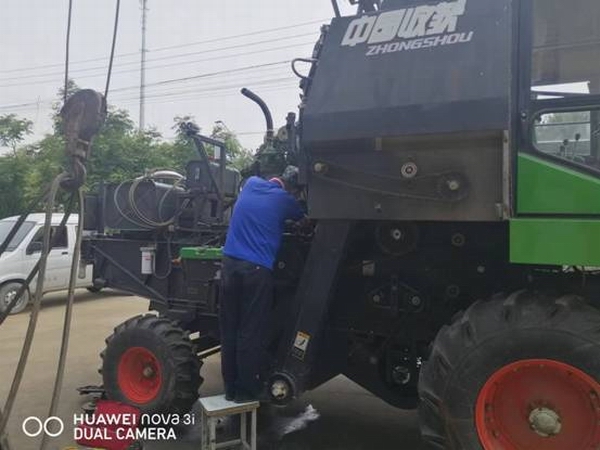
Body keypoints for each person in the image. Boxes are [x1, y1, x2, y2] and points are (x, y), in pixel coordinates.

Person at [220, 166, 305, 402]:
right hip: (255, 270)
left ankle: (230, 388)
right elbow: (304, 219)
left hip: (229, 265)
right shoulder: (286, 200)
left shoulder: (251, 184)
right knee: (250, 330)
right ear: (292, 188)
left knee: (230, 328)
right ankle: (246, 392)